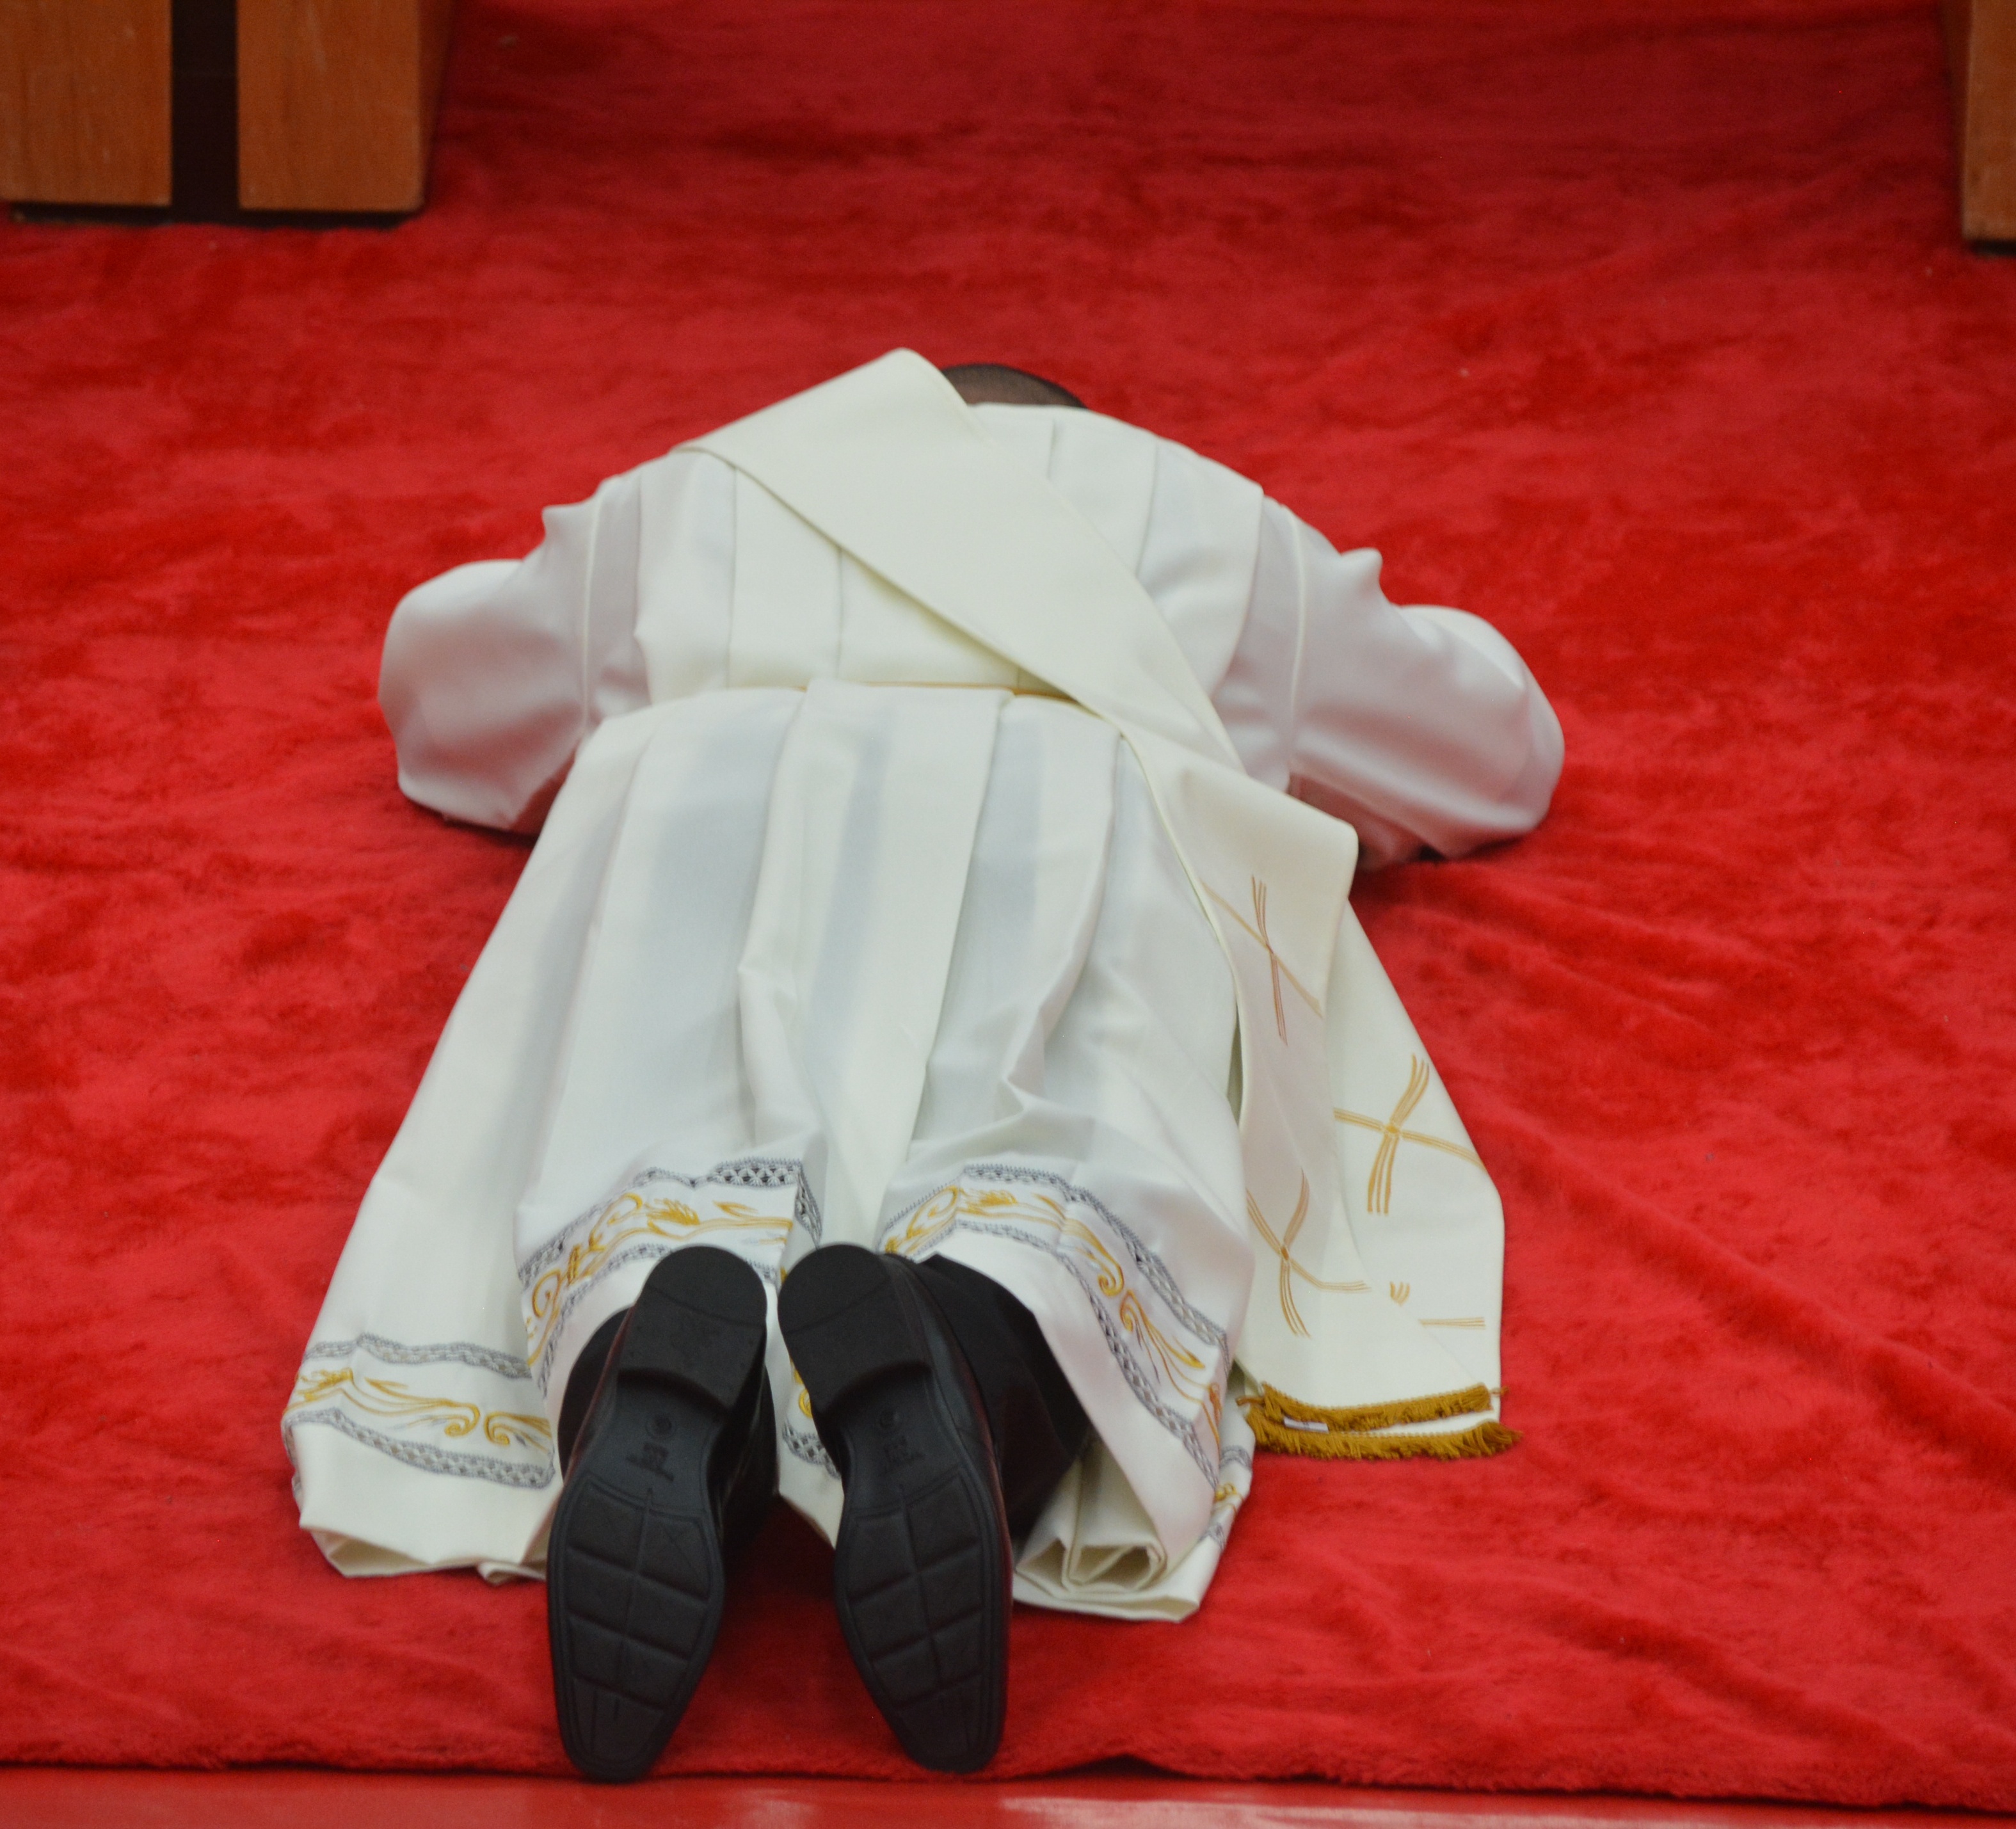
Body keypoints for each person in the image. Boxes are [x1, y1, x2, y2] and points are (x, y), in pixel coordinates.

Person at [284, 353, 1563, 1781]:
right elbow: (1490, 753)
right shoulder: (1209, 528)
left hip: (711, 841)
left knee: (648, 1125)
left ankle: (647, 1358)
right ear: (1087, 433)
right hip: (1064, 844)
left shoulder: (702, 497)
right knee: (1074, 1160)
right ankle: (971, 1352)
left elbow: (444, 703)